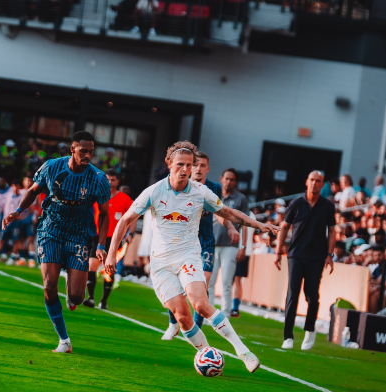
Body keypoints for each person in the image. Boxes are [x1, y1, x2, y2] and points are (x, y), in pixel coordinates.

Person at [105, 141, 278, 372]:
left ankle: (243, 352)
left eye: (189, 165)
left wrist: (258, 224)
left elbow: (228, 212)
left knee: (200, 303)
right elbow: (125, 220)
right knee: (182, 316)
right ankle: (206, 353)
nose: (185, 169)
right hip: (162, 264)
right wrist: (111, 255)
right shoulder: (154, 191)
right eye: (180, 164)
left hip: (188, 257)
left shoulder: (200, 192)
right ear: (169, 164)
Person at [1, 131, 110, 354]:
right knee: (49, 285)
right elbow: (34, 191)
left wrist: (100, 245)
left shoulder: (98, 178)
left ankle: (72, 295)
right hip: (50, 230)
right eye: (83, 151)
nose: (87, 155)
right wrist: (18, 211)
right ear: (72, 149)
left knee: (78, 296)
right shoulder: (52, 167)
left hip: (79, 235)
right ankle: (64, 340)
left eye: (90, 151)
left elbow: (105, 214)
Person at [162, 152, 239, 339]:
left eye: (202, 165)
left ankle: (195, 329)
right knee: (178, 285)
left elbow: (219, 212)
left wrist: (231, 228)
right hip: (183, 243)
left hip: (205, 242)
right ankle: (173, 323)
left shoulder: (213, 187)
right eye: (194, 165)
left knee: (201, 285)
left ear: (207, 169)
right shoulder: (180, 185)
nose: (198, 168)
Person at [274, 171, 336, 351]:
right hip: (295, 254)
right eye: (312, 180)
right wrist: (279, 251)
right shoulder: (296, 203)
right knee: (292, 295)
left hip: (317, 256)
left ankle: (310, 330)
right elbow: (284, 227)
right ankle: (288, 336)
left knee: (312, 295)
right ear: (306, 182)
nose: (315, 184)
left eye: (318, 181)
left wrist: (330, 255)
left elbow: (332, 231)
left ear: (323, 184)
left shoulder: (327, 206)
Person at [83, 168, 134, 310]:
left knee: (109, 270)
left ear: (118, 181)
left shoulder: (125, 199)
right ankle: (91, 298)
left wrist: (131, 233)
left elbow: (133, 217)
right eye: (107, 179)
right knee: (91, 266)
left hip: (115, 238)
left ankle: (104, 300)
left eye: (113, 179)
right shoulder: (97, 195)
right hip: (97, 236)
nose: (110, 182)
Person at [210, 168, 250, 317]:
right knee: (209, 280)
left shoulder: (241, 199)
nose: (229, 182)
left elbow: (245, 223)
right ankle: (209, 312)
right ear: (221, 179)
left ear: (236, 182)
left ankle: (225, 313)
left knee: (227, 281)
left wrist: (243, 247)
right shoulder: (213, 194)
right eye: (226, 178)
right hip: (211, 242)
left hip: (231, 245)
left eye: (232, 179)